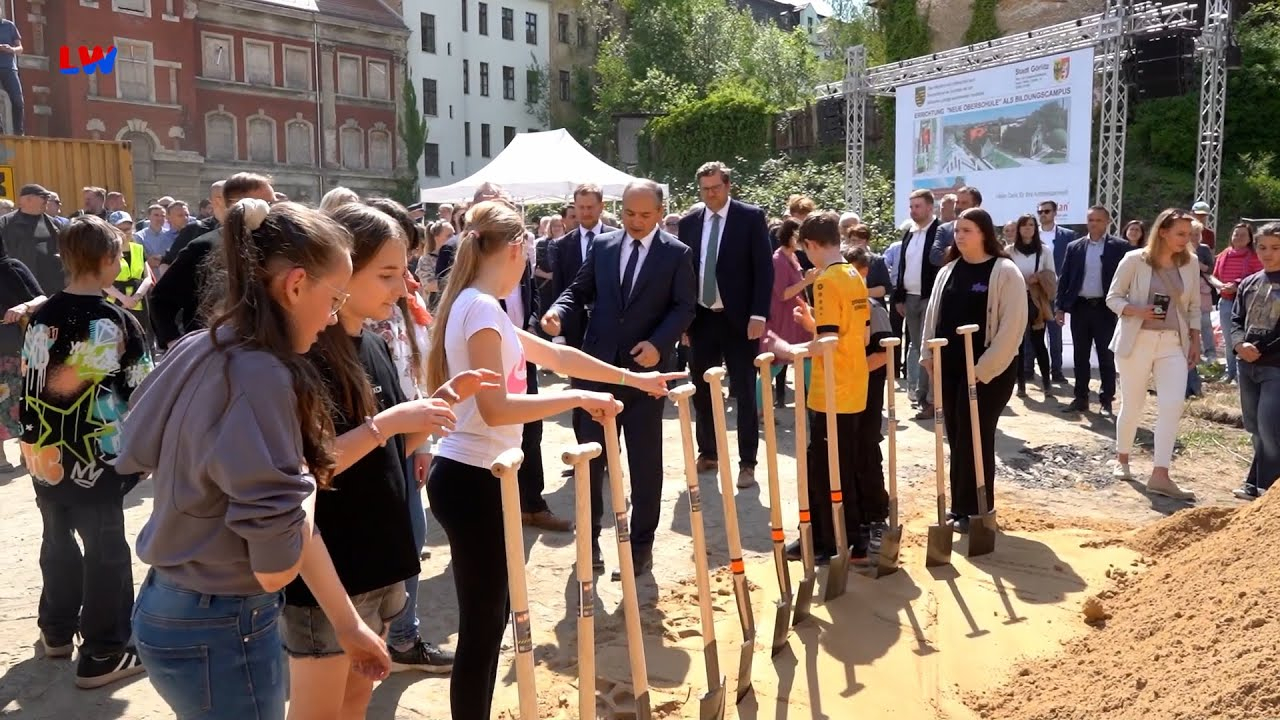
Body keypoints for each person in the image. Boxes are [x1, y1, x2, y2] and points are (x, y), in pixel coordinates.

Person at [117, 200, 393, 718]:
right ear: (296, 285)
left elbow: (135, 444)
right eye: (335, 297)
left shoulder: (204, 343)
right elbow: (276, 565)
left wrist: (348, 623)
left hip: (167, 606)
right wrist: (307, 476)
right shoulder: (263, 375)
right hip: (223, 623)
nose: (335, 316)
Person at [428, 200, 679, 720]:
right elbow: (496, 408)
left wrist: (633, 380)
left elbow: (558, 355)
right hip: (472, 478)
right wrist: (575, 397)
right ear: (517, 249)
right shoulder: (480, 309)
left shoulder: (483, 307)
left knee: (491, 616)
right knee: (482, 625)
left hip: (481, 475)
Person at [284, 204, 466, 718]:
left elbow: (383, 455)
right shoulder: (309, 353)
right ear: (342, 270)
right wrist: (388, 423)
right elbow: (313, 472)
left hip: (380, 563)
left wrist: (433, 411)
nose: (403, 288)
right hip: (332, 575)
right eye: (387, 274)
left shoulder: (372, 342)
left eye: (404, 271)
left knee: (355, 700)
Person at [18, 215, 153, 687]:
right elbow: (143, 392)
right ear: (109, 260)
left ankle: (56, 630)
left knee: (56, 538)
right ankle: (104, 650)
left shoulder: (42, 315)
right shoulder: (115, 320)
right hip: (97, 456)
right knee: (105, 549)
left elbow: (31, 380)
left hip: (44, 452)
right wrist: (145, 452)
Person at [544, 180, 696, 574]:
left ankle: (641, 545)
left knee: (645, 463)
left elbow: (684, 307)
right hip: (596, 370)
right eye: (629, 213)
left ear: (660, 213)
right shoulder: (604, 246)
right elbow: (578, 290)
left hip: (646, 374)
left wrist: (659, 344)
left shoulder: (676, 253)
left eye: (645, 215)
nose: (636, 221)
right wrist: (559, 311)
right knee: (590, 460)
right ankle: (590, 541)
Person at [920, 208, 1027, 532]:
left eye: (967, 230)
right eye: (957, 230)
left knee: (975, 435)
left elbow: (1012, 326)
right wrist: (928, 355)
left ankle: (979, 509)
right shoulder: (948, 270)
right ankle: (959, 507)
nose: (960, 235)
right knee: (956, 435)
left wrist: (983, 369)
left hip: (987, 371)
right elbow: (932, 316)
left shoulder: (1004, 271)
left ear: (984, 234)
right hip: (950, 367)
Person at [679, 161, 773, 489]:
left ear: (728, 185)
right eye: (705, 189)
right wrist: (683, 322)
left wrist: (759, 315)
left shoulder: (750, 217)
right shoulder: (689, 222)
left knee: (744, 391)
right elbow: (684, 273)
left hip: (740, 321)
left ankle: (747, 462)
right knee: (702, 389)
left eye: (716, 188)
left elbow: (764, 269)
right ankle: (708, 453)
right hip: (702, 319)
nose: (710, 194)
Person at [786, 211, 873, 562]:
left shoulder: (825, 280)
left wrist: (790, 349)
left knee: (825, 468)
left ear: (811, 245)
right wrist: (814, 326)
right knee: (840, 463)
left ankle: (833, 540)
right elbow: (856, 333)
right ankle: (840, 537)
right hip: (853, 381)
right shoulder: (853, 274)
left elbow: (828, 341)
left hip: (832, 388)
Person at [1106, 208, 1202, 501]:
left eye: (1189, 234)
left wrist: (1195, 339)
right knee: (1133, 405)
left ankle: (1160, 474)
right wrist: (1136, 310)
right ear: (1163, 232)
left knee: (1172, 406)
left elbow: (1194, 305)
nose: (1186, 240)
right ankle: (1123, 458)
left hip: (1173, 343)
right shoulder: (1134, 259)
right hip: (1137, 341)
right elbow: (1113, 297)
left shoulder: (1191, 262)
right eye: (1180, 234)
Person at [148, 173, 275, 350]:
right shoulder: (203, 246)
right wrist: (174, 343)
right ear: (239, 203)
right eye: (267, 203)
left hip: (268, 350)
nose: (273, 210)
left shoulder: (277, 247)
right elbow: (161, 299)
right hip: (215, 351)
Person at [1055, 206, 1128, 415]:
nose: (1093, 223)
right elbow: (1065, 278)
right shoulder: (1075, 246)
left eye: (1098, 220)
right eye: (1090, 220)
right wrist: (1060, 307)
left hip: (1105, 309)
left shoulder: (1120, 247)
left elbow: (1128, 278)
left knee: (1106, 356)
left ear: (1107, 222)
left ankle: (1106, 400)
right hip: (1080, 307)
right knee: (1080, 356)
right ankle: (1081, 398)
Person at [1229, 223, 1280, 500]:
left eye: (1275, 248)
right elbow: (1235, 319)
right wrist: (1239, 344)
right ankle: (1255, 482)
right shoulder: (1249, 282)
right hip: (1246, 364)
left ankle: (1268, 490)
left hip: (1275, 367)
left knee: (1270, 426)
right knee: (1254, 427)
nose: (1268, 253)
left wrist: (1259, 349)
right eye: (1262, 247)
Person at [892, 189, 942, 419]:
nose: (913, 211)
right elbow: (902, 266)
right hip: (910, 298)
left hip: (929, 297)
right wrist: (899, 297)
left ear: (930, 207)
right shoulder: (909, 233)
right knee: (915, 346)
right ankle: (918, 393)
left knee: (927, 348)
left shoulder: (940, 231)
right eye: (911, 207)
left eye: (918, 206)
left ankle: (929, 400)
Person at [0, 243, 44, 473]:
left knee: (20, 402)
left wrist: (22, 306)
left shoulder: (11, 268)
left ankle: (26, 449)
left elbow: (41, 298)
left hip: (14, 350)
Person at [763, 218, 816, 407]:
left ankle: (814, 407)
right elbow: (782, 294)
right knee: (775, 364)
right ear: (789, 236)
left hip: (796, 317)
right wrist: (806, 281)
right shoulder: (777, 260)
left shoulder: (792, 257)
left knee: (807, 357)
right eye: (799, 235)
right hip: (782, 319)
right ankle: (758, 409)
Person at [1009, 213, 1055, 398]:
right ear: (1018, 229)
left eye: (1031, 225)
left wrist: (1039, 278)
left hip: (1036, 301)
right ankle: (1020, 384)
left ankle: (1047, 383)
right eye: (1024, 225)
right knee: (1018, 345)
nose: (1027, 228)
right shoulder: (1009, 251)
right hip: (1015, 301)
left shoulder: (1044, 251)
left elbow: (1052, 275)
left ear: (1035, 228)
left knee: (1038, 343)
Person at [1214, 222, 1264, 384]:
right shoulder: (1224, 255)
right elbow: (1213, 276)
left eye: (1243, 235)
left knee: (1244, 338)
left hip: (1248, 303)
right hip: (1226, 301)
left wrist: (1238, 285)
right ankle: (1230, 372)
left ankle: (1243, 373)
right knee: (1229, 339)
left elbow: (1259, 277)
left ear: (1250, 238)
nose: (1239, 237)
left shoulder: (1255, 256)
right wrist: (1220, 285)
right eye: (1236, 234)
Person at [1038, 200, 1077, 384]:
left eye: (1046, 211)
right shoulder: (1032, 234)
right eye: (1040, 211)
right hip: (1036, 290)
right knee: (1033, 333)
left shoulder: (1068, 235)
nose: (1043, 214)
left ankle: (1057, 371)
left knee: (1055, 334)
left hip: (1056, 291)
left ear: (1055, 213)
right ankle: (1028, 370)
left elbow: (1072, 265)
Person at [0, 184, 64, 293]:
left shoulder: (54, 224)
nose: (47, 201)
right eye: (43, 197)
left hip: (52, 286)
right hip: (20, 286)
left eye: (48, 198)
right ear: (28, 199)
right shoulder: (5, 224)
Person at [105, 211, 155, 348]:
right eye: (119, 229)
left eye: (127, 229)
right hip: (115, 303)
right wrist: (123, 298)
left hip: (138, 302)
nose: (124, 233)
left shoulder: (138, 249)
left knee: (140, 340)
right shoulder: (105, 252)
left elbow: (147, 278)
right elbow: (101, 282)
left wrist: (137, 297)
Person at [929, 185, 981, 265]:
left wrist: (949, 250)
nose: (959, 206)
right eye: (957, 202)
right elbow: (935, 257)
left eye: (964, 203)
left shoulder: (985, 228)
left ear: (976, 206)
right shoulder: (945, 229)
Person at [0, 16, 23, 136]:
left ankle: (19, 132)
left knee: (18, 100)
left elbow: (20, 49)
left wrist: (11, 49)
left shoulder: (9, 26)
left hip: (9, 68)